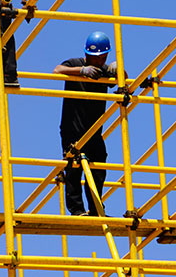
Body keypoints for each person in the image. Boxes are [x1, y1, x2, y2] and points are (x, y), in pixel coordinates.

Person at [53, 31, 120, 216]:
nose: (97, 61)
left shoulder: (103, 71)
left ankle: (96, 208)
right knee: (74, 167)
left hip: (94, 131)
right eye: (93, 57)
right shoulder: (75, 64)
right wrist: (81, 71)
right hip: (72, 129)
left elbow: (122, 81)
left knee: (98, 168)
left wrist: (119, 70)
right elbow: (57, 70)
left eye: (100, 58)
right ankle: (76, 210)